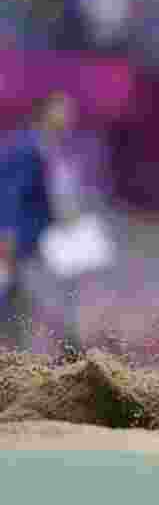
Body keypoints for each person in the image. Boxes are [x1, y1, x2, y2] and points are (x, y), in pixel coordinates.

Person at [0, 91, 79, 355]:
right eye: (63, 110)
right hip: (20, 242)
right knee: (41, 304)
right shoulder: (26, 146)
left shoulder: (53, 149)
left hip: (38, 242)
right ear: (45, 112)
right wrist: (7, 233)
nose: (69, 117)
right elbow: (10, 192)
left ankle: (15, 359)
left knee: (16, 306)